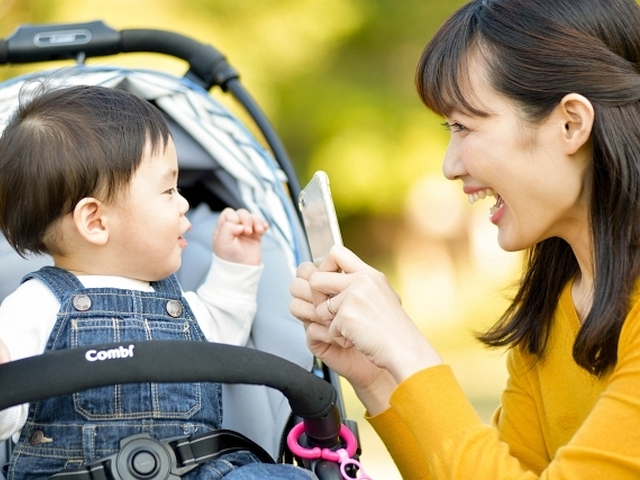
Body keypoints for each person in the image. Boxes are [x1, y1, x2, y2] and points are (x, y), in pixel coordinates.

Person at [290, 0, 640, 478]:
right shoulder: (554, 314)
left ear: (571, 124)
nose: (450, 166)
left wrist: (408, 350)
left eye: (464, 126)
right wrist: (379, 378)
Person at [0, 84, 316, 480]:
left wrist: (235, 265)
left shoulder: (176, 304)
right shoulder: (35, 307)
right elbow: (8, 410)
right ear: (95, 222)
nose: (184, 203)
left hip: (195, 470)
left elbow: (223, 332)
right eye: (168, 190)